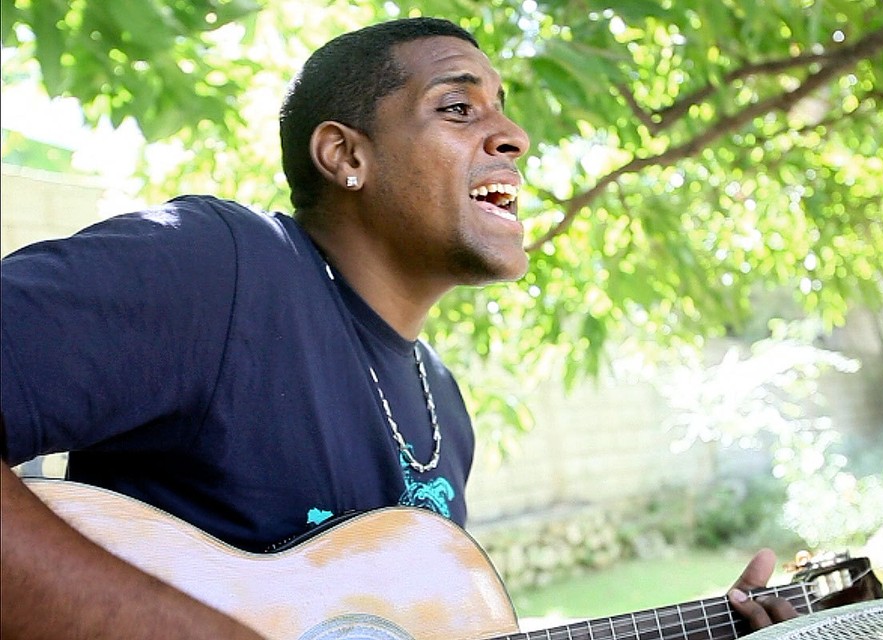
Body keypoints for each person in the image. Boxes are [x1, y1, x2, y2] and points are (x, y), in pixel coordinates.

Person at [0, 17, 797, 639]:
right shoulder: (221, 265)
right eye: (457, 107)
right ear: (346, 156)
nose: (514, 137)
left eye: (504, 110)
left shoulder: (443, 405)